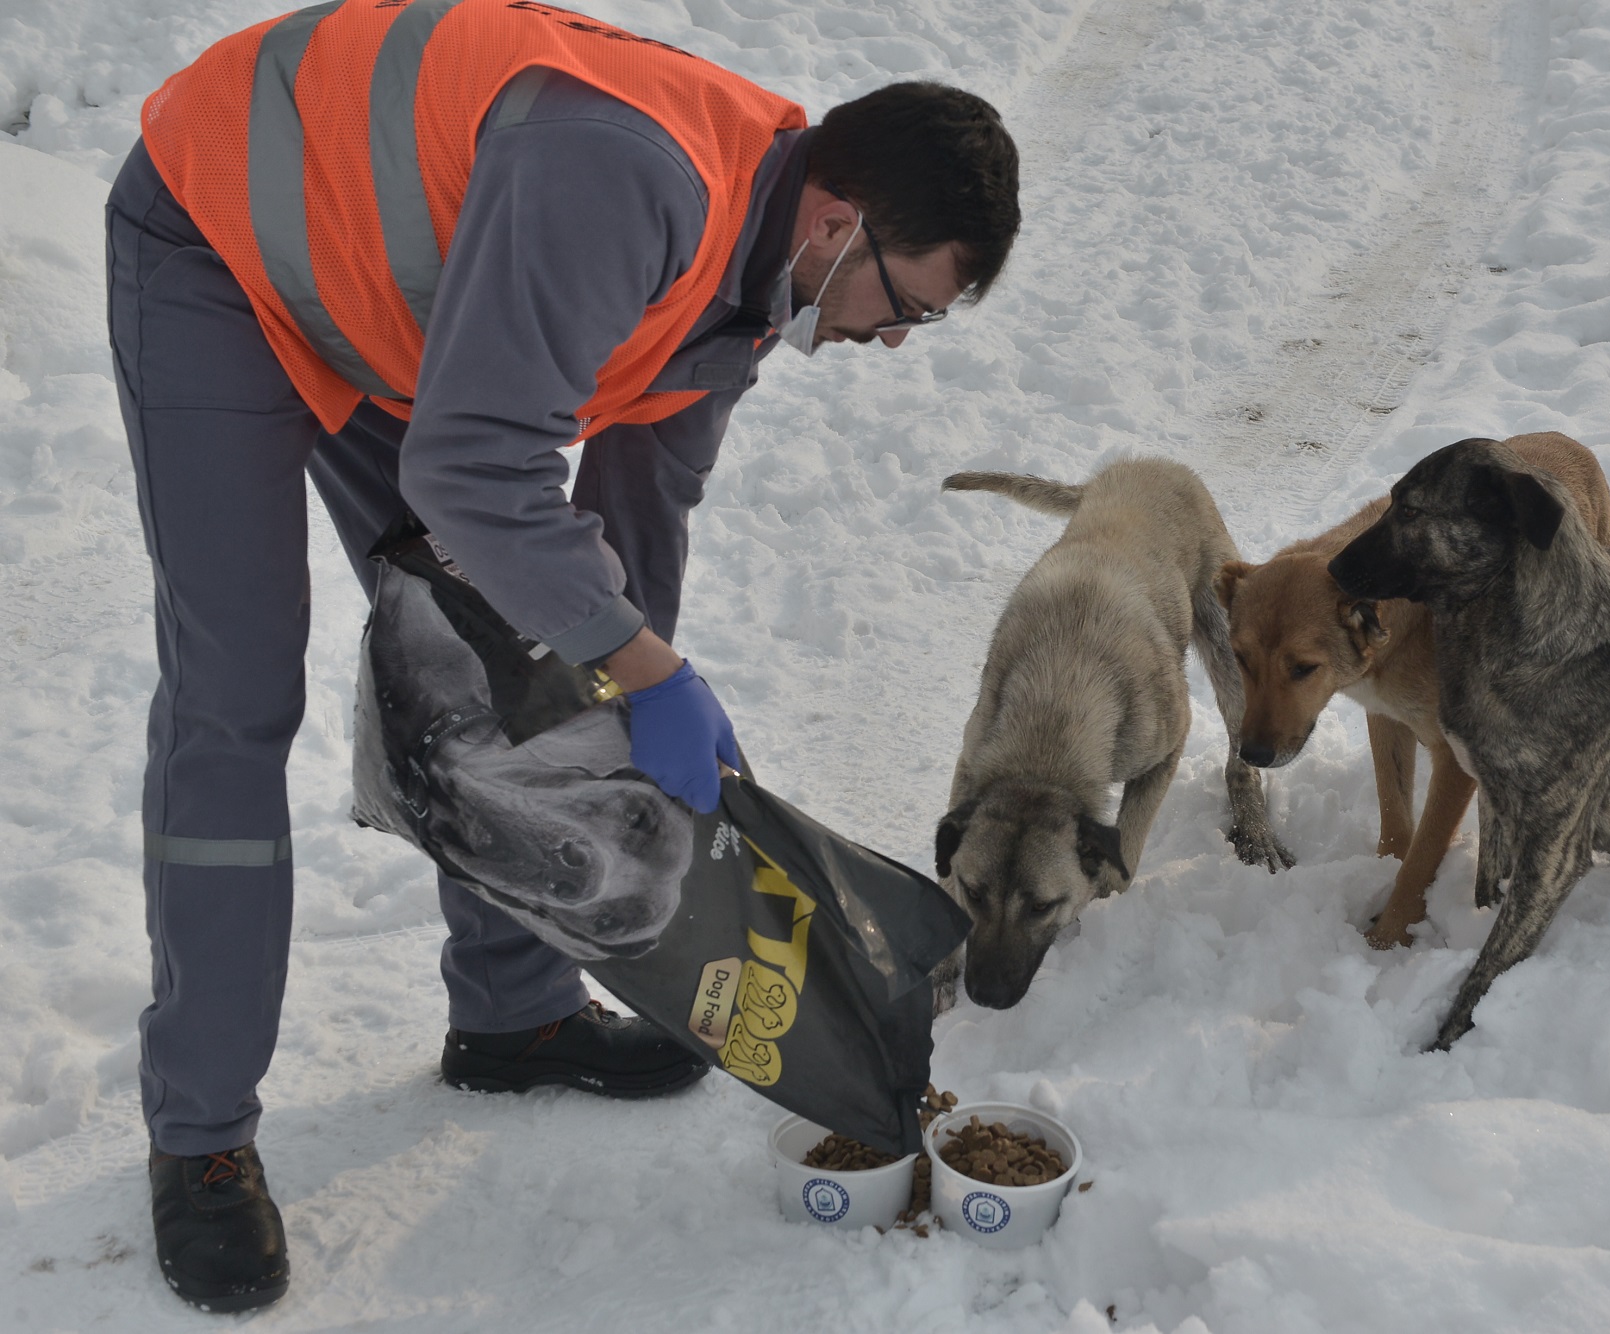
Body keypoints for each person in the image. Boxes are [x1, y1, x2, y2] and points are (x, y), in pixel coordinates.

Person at [104, 0, 1020, 1312]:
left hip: (390, 310)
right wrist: (646, 675)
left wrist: (643, 697)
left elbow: (627, 548)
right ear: (836, 225)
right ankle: (199, 1138)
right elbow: (473, 468)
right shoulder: (631, 181)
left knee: (508, 648)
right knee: (237, 692)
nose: (890, 343)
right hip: (223, 242)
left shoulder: (751, 298)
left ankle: (512, 1011)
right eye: (907, 308)